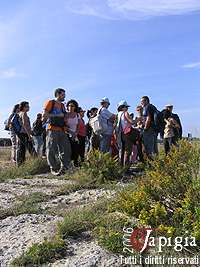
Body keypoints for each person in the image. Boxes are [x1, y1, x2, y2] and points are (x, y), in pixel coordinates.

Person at [42, 88, 71, 175]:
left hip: (62, 130)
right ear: (58, 94)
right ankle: (53, 168)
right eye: (63, 95)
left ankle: (64, 168)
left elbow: (64, 116)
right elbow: (44, 115)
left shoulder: (62, 105)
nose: (64, 96)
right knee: (51, 149)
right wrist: (57, 115)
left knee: (66, 149)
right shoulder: (50, 102)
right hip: (52, 129)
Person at [116, 100, 140, 166]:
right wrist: (139, 119)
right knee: (128, 151)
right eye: (126, 107)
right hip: (127, 134)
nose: (127, 108)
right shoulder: (125, 113)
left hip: (120, 134)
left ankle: (121, 166)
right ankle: (126, 168)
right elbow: (131, 122)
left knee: (122, 151)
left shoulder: (117, 115)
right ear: (122, 107)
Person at [16, 101, 36, 166]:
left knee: (21, 149)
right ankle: (37, 162)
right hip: (24, 133)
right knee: (31, 148)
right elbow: (25, 125)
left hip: (19, 134)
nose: (28, 107)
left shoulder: (19, 113)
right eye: (27, 106)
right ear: (23, 107)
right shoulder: (24, 113)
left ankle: (20, 165)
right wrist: (29, 135)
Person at [65, 99, 80, 167]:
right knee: (68, 150)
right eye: (69, 105)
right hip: (67, 134)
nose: (70, 107)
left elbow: (78, 125)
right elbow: (64, 126)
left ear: (75, 107)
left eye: (72, 106)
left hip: (75, 135)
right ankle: (67, 165)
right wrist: (71, 132)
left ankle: (75, 164)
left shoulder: (77, 115)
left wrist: (75, 133)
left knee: (76, 150)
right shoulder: (66, 115)